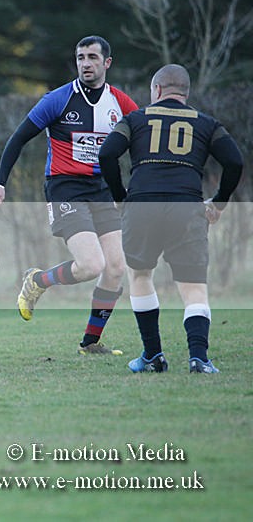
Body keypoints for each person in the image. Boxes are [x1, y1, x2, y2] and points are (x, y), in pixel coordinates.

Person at [0, 35, 138, 355]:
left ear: (107, 63)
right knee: (92, 264)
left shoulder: (121, 103)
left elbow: (143, 143)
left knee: (116, 268)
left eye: (93, 58)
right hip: (64, 186)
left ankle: (90, 343)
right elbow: (18, 139)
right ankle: (39, 281)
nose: (86, 64)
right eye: (81, 57)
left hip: (102, 190)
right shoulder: (58, 99)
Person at [99, 64, 244, 374]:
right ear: (186, 94)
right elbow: (234, 161)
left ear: (157, 91)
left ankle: (153, 355)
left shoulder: (136, 119)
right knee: (193, 288)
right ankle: (199, 359)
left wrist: (119, 197)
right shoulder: (206, 124)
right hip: (187, 208)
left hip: (141, 208)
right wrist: (219, 203)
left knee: (140, 276)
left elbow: (107, 155)